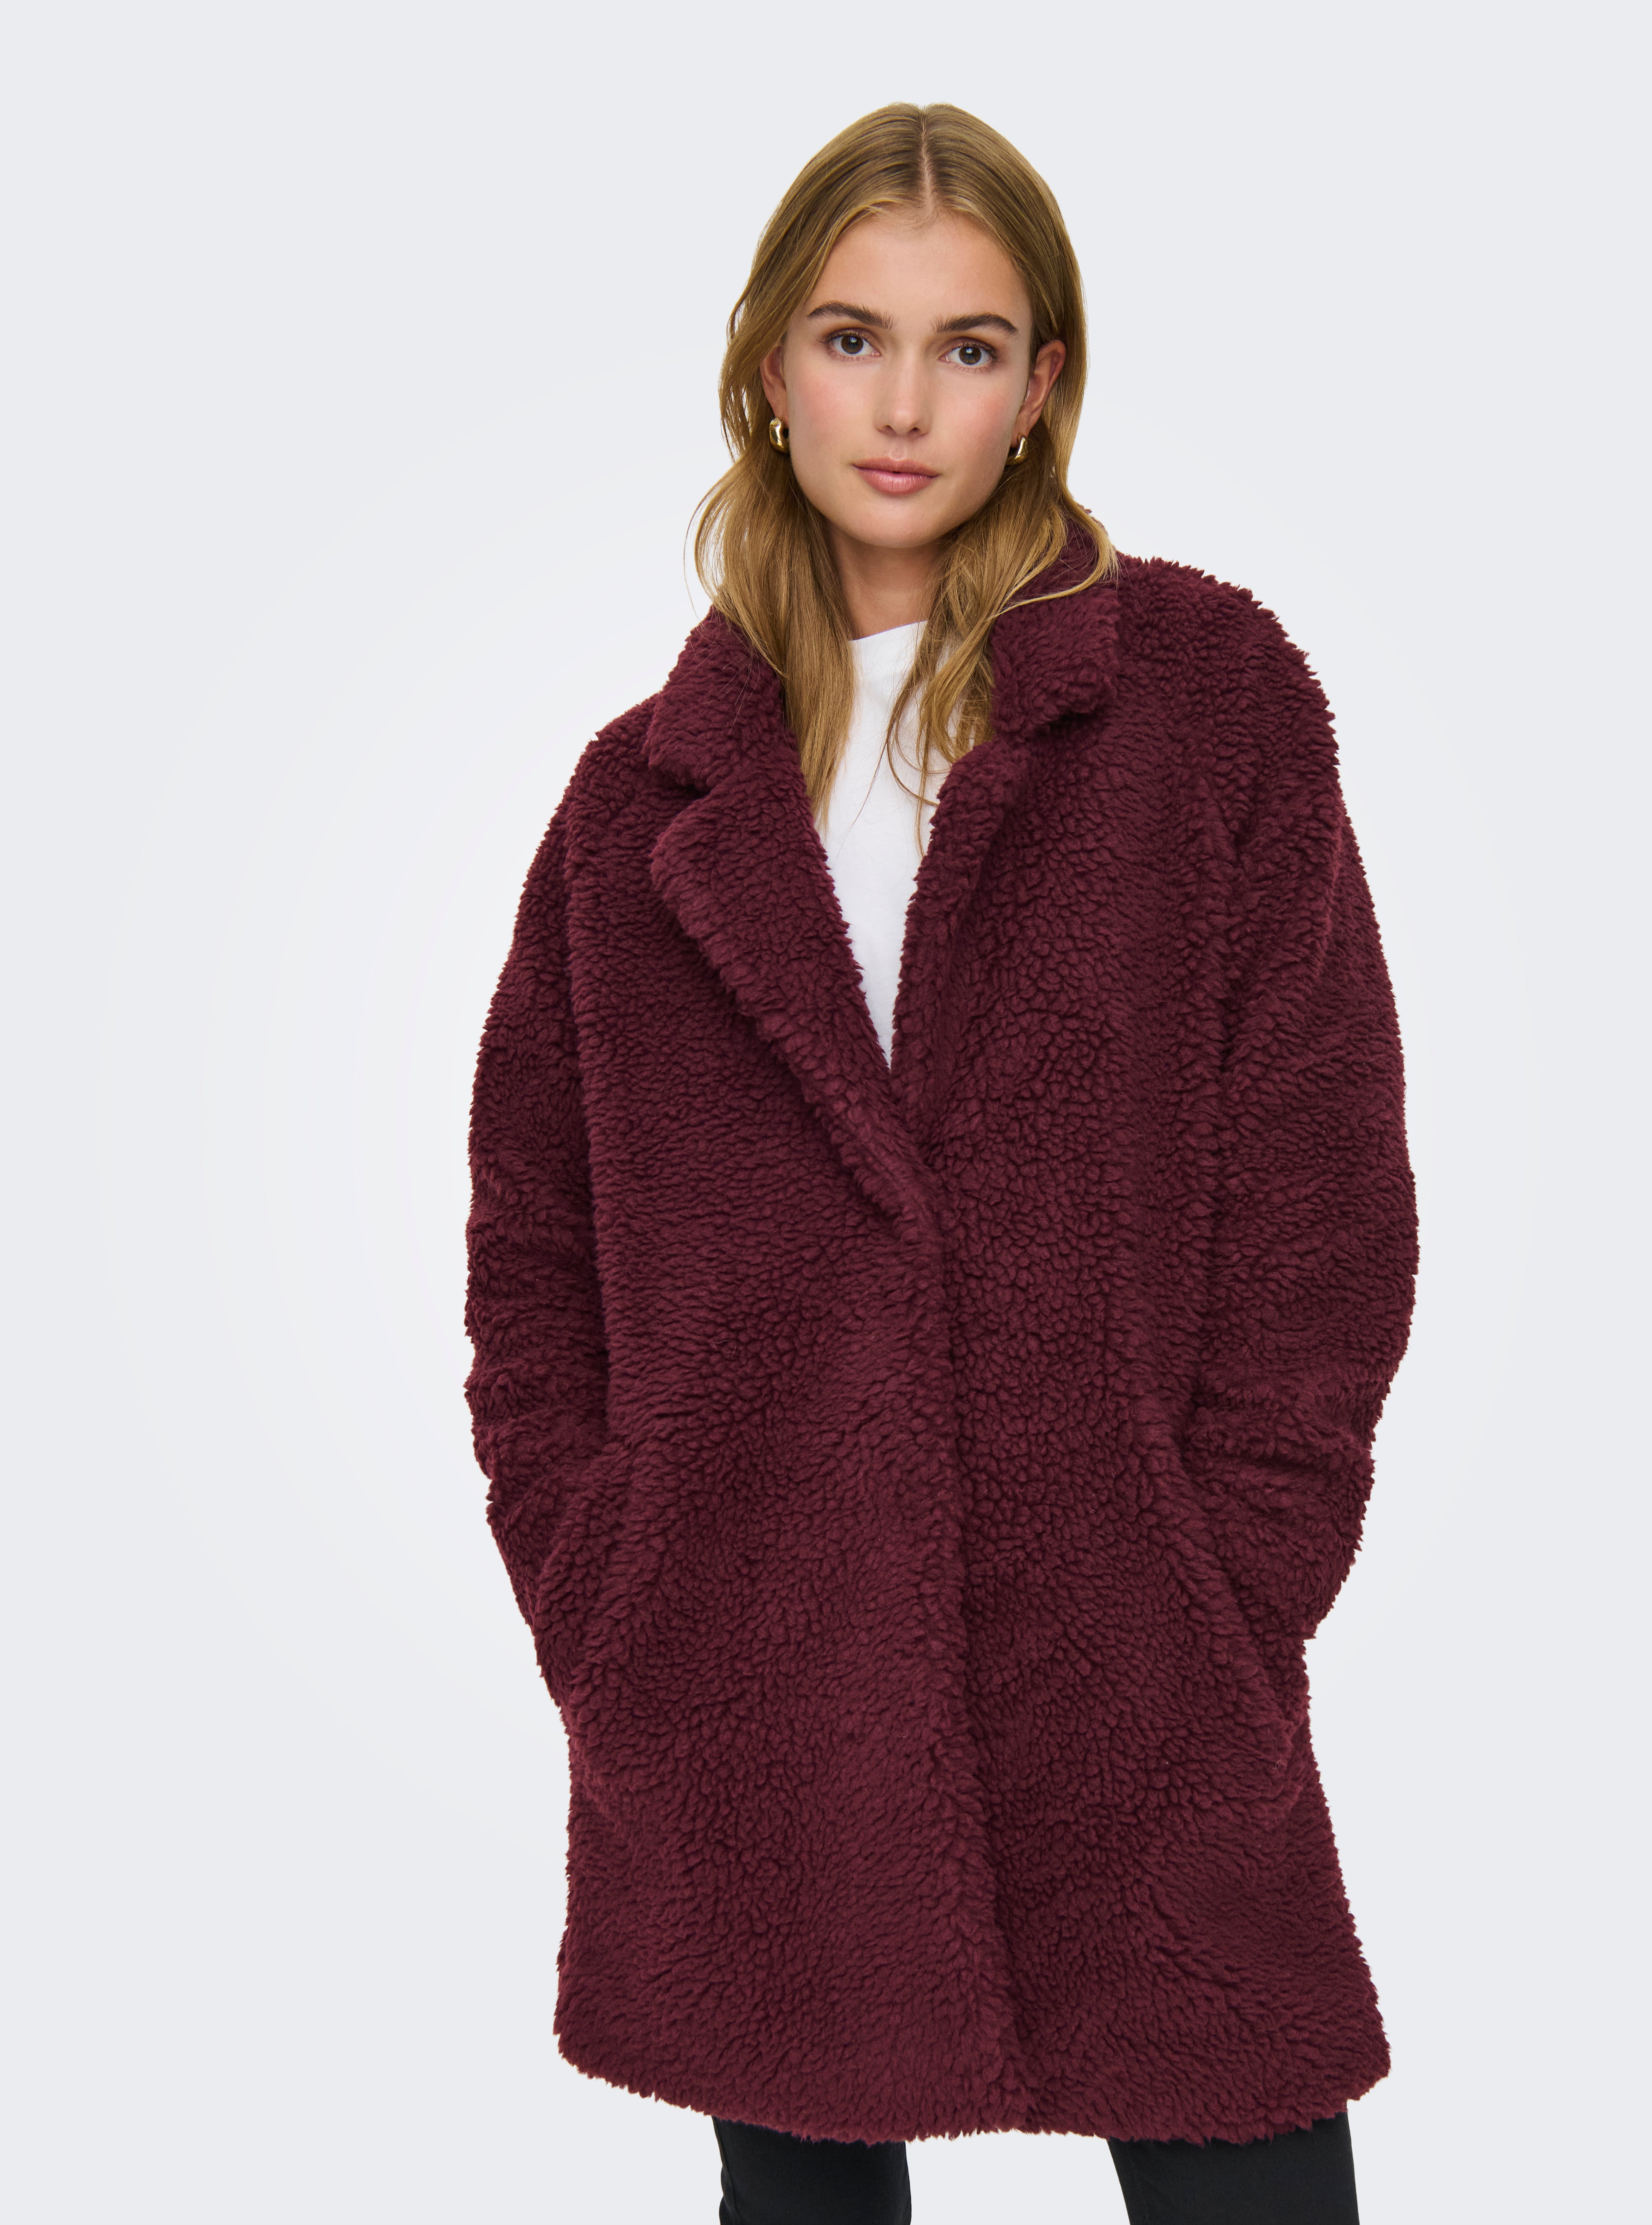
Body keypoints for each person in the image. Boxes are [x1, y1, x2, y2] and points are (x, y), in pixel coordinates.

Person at [464, 102, 1419, 2225]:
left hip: (1134, 1654)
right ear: (765, 369)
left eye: (966, 346)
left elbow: (1321, 1182)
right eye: (851, 337)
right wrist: (614, 1593)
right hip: (750, 1677)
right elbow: (534, 1250)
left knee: (1249, 2170)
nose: (902, 405)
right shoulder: (636, 811)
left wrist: (1235, 1566)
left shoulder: (1204, 704)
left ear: (1040, 387)